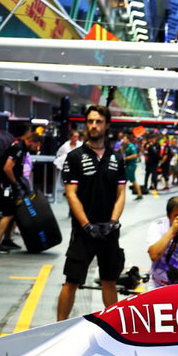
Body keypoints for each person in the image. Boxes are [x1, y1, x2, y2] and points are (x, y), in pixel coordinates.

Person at [56, 104, 127, 320]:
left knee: (109, 280)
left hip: (108, 230)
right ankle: (58, 328)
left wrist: (113, 222)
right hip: (84, 231)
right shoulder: (75, 157)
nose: (93, 126)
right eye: (90, 121)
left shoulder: (117, 158)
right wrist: (86, 224)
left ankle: (114, 329)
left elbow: (121, 192)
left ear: (107, 125)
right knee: (72, 281)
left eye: (98, 122)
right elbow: (71, 193)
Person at [0, 124, 42, 253]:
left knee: (13, 211)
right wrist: (15, 183)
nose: (36, 148)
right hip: (1, 183)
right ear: (30, 141)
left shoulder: (23, 148)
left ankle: (7, 240)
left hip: (7, 183)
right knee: (8, 212)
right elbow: (7, 168)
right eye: (36, 145)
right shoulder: (18, 148)